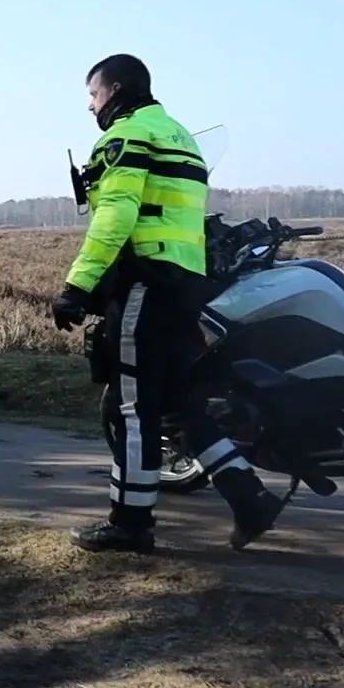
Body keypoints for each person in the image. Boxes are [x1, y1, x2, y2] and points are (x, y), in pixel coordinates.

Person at [50, 54, 285, 554]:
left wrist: (77, 286)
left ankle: (130, 523)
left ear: (112, 90)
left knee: (132, 408)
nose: (91, 108)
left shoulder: (125, 136)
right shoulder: (179, 135)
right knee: (177, 402)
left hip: (143, 284)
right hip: (183, 285)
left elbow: (114, 215)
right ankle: (250, 498)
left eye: (92, 97)